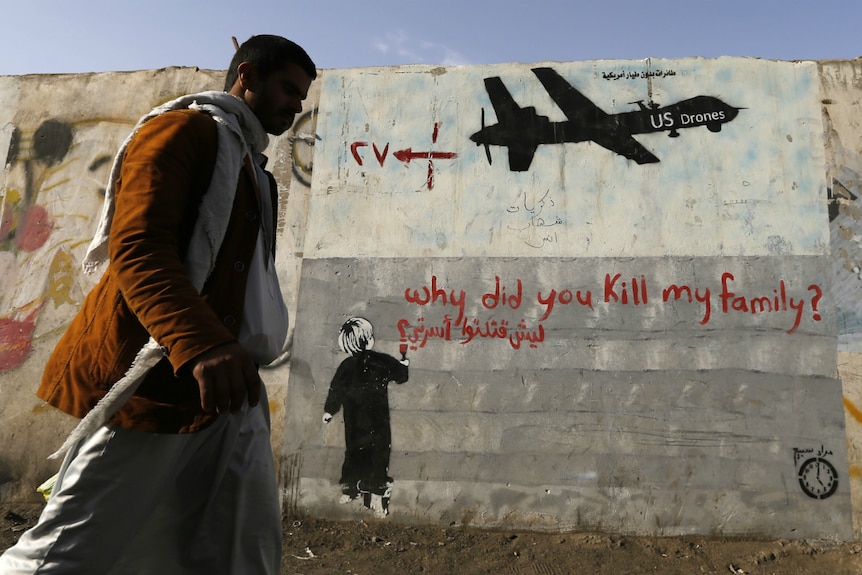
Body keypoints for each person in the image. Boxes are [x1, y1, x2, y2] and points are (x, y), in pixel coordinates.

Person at [0, 35, 316, 574]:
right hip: (157, 380)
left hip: (231, 390)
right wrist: (201, 341)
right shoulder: (182, 131)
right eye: (289, 88)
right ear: (249, 76)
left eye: (302, 97)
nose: (296, 105)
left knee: (242, 550)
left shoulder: (253, 167)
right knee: (67, 555)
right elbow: (139, 249)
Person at [323, 317, 409, 517]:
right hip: (378, 421)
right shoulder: (381, 361)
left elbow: (336, 390)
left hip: (354, 422)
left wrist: (329, 411)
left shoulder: (346, 366)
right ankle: (377, 497)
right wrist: (404, 363)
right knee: (378, 456)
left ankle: (350, 488)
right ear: (369, 339)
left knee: (353, 452)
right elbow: (400, 375)